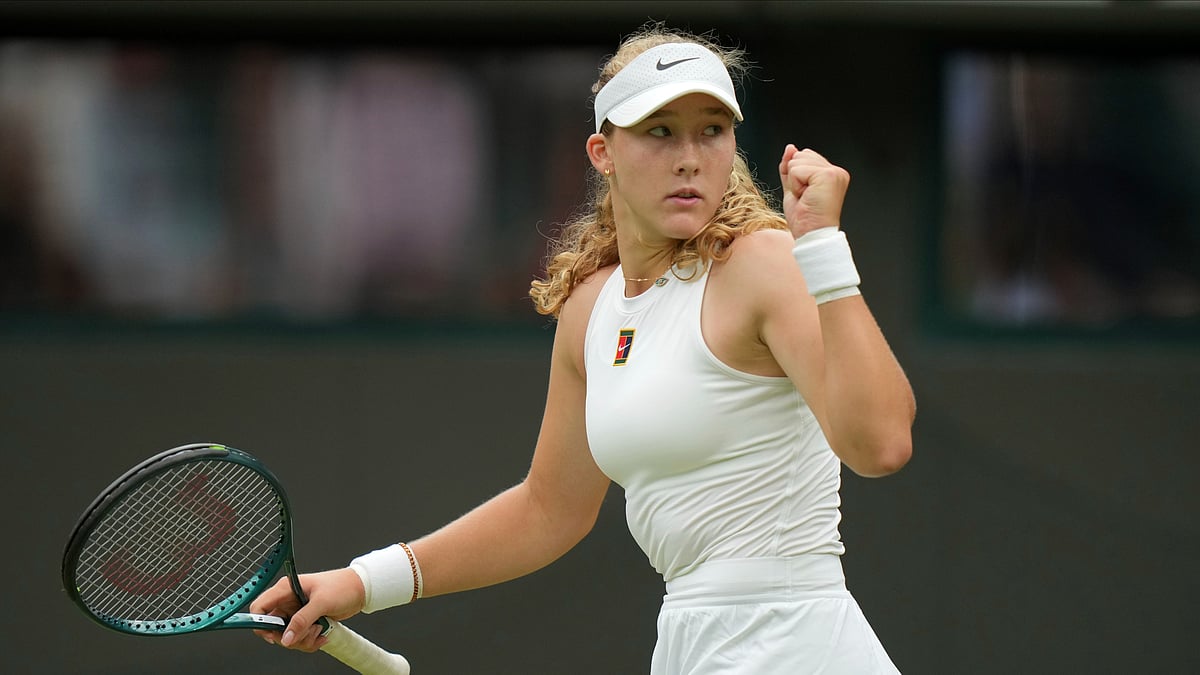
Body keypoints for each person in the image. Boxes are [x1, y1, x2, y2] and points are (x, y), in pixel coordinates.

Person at [251, 24, 916, 674]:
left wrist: (822, 246)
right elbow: (547, 509)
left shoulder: (765, 262)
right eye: (660, 131)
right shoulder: (592, 308)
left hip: (799, 642)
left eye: (711, 130)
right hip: (691, 642)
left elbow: (881, 444)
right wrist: (362, 582)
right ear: (603, 153)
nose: (689, 156)